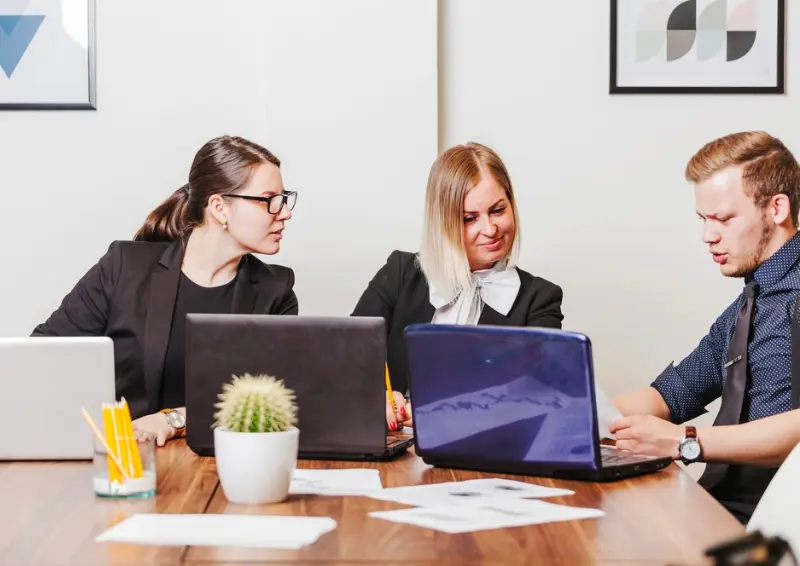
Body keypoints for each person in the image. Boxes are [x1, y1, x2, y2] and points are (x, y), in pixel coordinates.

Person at [32, 135, 299, 445]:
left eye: (284, 198)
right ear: (219, 207)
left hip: (216, 469)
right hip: (122, 464)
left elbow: (275, 402)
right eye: (270, 200)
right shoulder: (123, 269)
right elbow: (44, 356)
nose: (285, 212)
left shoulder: (275, 293)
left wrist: (174, 419)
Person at [610, 131, 800, 525]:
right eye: (703, 219)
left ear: (777, 208)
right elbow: (672, 394)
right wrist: (573, 415)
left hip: (776, 525)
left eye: (725, 219)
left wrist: (684, 442)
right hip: (720, 511)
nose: (708, 236)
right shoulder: (751, 300)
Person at [351, 142, 564, 430]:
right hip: (392, 449)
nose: (489, 229)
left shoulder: (540, 299)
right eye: (469, 219)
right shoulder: (401, 272)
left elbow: (537, 401)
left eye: (498, 210)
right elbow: (348, 358)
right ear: (443, 222)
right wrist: (374, 395)